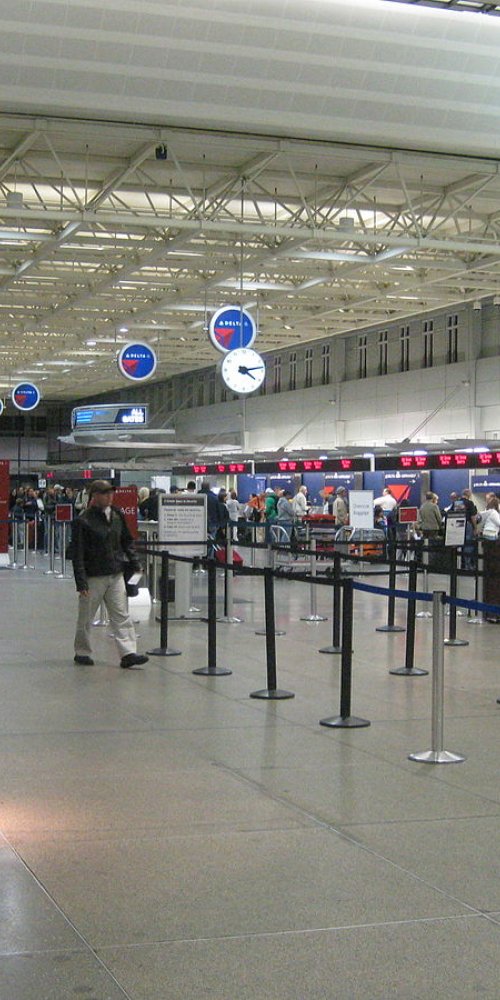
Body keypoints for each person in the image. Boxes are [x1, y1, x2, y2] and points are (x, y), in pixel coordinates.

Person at [72, 480, 148, 669]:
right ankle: (82, 652)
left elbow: (126, 541)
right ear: (94, 496)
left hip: (115, 573)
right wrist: (81, 583)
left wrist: (135, 562)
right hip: (93, 576)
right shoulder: (83, 521)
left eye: (111, 493)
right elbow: (78, 553)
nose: (110, 496)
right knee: (86, 617)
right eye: (105, 493)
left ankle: (128, 653)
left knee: (121, 614)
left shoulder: (117, 515)